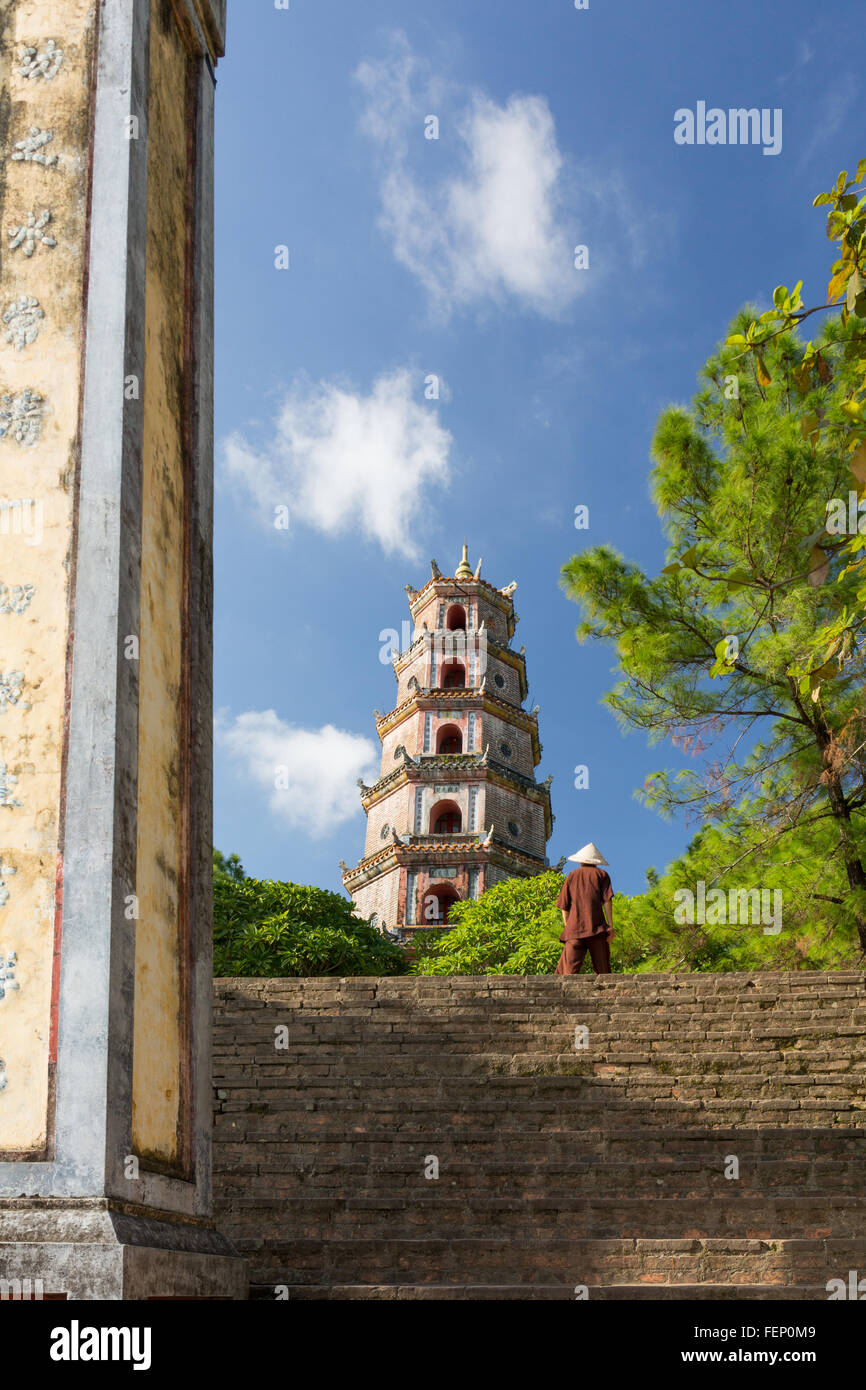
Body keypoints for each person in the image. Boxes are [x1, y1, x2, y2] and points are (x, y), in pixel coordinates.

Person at [554, 842, 614, 975]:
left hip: (574, 930)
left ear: (580, 861)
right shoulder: (602, 875)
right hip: (597, 928)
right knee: (603, 971)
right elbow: (607, 901)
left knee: (566, 973)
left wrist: (568, 926)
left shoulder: (572, 875)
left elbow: (564, 906)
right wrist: (610, 926)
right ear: (596, 862)